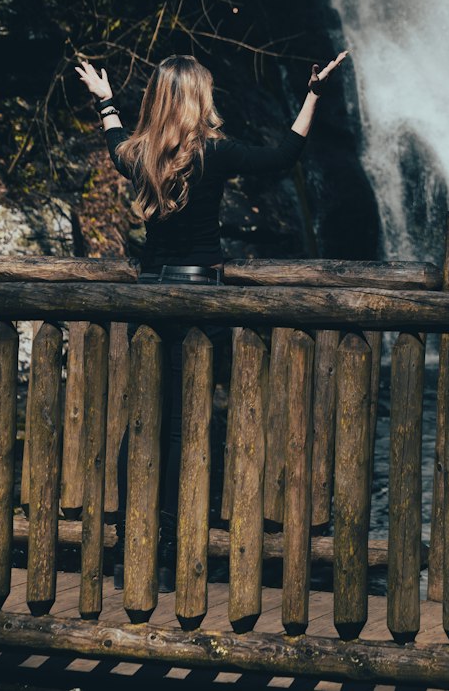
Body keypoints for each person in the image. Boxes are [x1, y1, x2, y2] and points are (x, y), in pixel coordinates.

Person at [75, 48, 349, 590]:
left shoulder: (142, 153)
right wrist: (313, 93)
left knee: (142, 418)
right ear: (201, 98)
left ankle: (130, 544)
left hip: (150, 296)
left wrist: (106, 102)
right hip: (200, 299)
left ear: (156, 99)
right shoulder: (215, 153)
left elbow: (113, 147)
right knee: (183, 427)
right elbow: (283, 157)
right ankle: (174, 550)